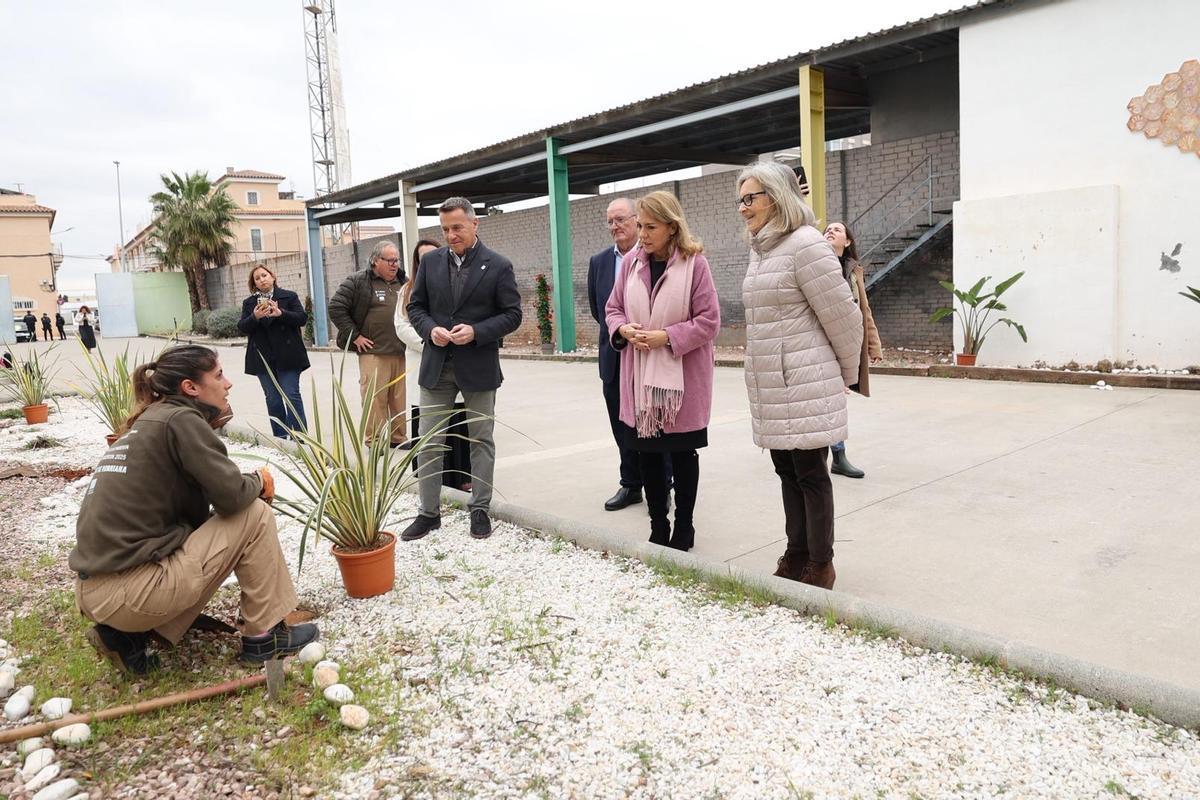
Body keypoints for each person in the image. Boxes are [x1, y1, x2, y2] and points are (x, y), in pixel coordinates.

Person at [69, 345, 318, 675]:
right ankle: (265, 636)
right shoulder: (181, 419)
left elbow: (200, 520)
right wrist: (259, 481)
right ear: (190, 388)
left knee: (227, 523)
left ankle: (126, 635)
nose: (227, 383)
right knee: (253, 514)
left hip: (98, 593)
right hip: (129, 595)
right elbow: (232, 497)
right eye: (218, 375)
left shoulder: (152, 419)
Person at [737, 161, 862, 590]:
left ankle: (821, 562)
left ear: (776, 196)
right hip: (773, 383)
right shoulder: (763, 250)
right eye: (741, 199)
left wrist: (845, 374)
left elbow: (843, 316)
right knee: (786, 471)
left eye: (750, 198)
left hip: (806, 380)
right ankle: (796, 552)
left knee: (811, 473)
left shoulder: (806, 244)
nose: (743, 207)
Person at [402, 196, 523, 542]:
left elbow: (512, 314)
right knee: (428, 441)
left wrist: (477, 331)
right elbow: (416, 307)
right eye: (444, 229)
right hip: (437, 366)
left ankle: (480, 508)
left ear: (474, 224)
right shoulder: (431, 263)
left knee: (480, 439)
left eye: (456, 227)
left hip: (478, 366)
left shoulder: (498, 265)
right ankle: (428, 513)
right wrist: (429, 330)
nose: (450, 235)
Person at [605, 191, 720, 551]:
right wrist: (622, 330)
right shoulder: (630, 264)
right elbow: (613, 309)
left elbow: (709, 321)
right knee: (648, 456)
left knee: (684, 455)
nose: (642, 233)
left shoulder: (695, 264)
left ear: (672, 227)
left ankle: (684, 528)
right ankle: (658, 528)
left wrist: (667, 337)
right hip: (640, 381)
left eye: (650, 226)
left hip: (682, 382)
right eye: (640, 225)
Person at [393, 238, 472, 490]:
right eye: (421, 257)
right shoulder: (408, 289)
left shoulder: (458, 281)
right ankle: (429, 477)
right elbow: (401, 324)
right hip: (424, 357)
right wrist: (428, 340)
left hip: (457, 358)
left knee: (458, 417)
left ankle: (461, 475)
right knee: (427, 419)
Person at [588, 198, 648, 511]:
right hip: (614, 356)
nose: (615, 226)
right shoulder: (599, 262)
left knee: (651, 423)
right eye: (610, 221)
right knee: (621, 425)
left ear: (637, 220)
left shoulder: (650, 254)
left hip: (646, 355)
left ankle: (661, 484)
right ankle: (631, 484)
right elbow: (600, 309)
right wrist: (619, 332)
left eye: (621, 219)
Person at [328, 240, 408, 447]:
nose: (394, 265)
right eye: (389, 260)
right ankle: (375, 440)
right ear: (375, 260)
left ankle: (398, 438)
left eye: (396, 260)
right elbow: (336, 307)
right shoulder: (358, 281)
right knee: (375, 398)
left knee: (398, 398)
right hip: (373, 352)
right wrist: (355, 336)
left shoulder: (404, 281)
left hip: (400, 351)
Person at [823, 221, 882, 479]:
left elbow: (864, 310)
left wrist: (873, 345)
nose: (830, 231)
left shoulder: (854, 271)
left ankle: (837, 455)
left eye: (837, 230)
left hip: (845, 343)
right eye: (826, 229)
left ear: (847, 242)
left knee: (834, 402)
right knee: (828, 400)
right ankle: (832, 456)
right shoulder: (816, 263)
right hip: (821, 343)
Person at [237, 264, 310, 439]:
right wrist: (255, 317)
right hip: (263, 358)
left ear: (273, 276)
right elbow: (242, 327)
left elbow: (302, 318)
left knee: (292, 395)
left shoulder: (289, 296)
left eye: (264, 275)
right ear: (254, 284)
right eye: (257, 278)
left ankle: (300, 438)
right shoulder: (249, 303)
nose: (262, 280)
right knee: (273, 399)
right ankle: (281, 437)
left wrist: (281, 313)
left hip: (288, 356)